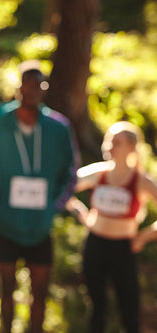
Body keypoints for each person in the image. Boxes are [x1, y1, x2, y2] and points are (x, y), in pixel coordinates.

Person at [0, 64, 77, 333]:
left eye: (38, 85)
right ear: (18, 87)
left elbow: (71, 171)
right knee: (6, 292)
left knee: (40, 294)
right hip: (6, 222)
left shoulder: (59, 127)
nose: (32, 90)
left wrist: (55, 205)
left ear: (44, 90)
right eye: (27, 84)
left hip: (40, 225)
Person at [66, 121, 157, 333]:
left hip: (123, 249)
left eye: (117, 142)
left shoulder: (141, 180)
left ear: (131, 148)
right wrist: (80, 212)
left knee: (129, 305)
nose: (109, 146)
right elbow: (64, 186)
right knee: (97, 306)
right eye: (109, 140)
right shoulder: (98, 172)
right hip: (95, 245)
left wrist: (143, 237)